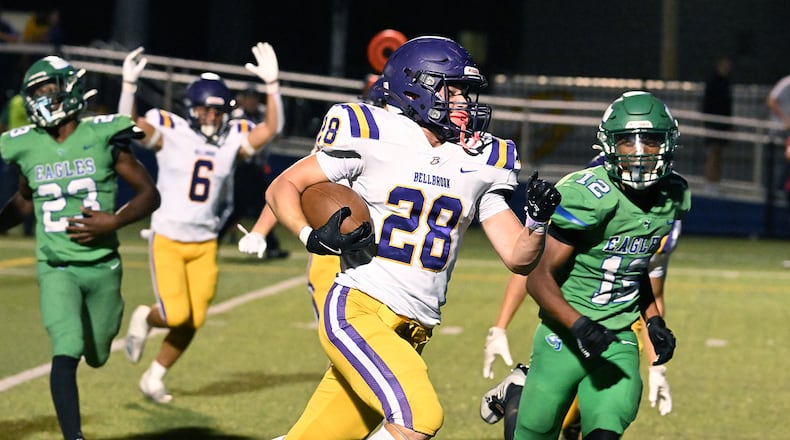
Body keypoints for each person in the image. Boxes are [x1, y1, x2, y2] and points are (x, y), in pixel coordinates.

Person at [264, 35, 561, 440]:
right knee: (418, 419)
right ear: (414, 86)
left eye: (465, 93)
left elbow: (517, 256)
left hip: (416, 325)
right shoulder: (373, 131)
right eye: (450, 89)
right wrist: (307, 235)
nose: (462, 103)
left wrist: (538, 222)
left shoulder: (482, 158)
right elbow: (283, 186)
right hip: (359, 309)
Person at [479, 91, 689, 440]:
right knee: (534, 432)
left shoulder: (673, 197)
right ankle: (517, 393)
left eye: (650, 141)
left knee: (605, 432)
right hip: (562, 335)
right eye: (627, 142)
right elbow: (537, 276)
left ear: (668, 144)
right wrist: (578, 324)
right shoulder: (589, 196)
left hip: (618, 337)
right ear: (609, 146)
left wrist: (653, 321)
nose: (639, 153)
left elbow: (631, 267)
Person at [0, 55, 160, 440]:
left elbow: (149, 194)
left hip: (102, 265)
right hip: (55, 265)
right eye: (36, 92)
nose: (43, 98)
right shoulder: (27, 145)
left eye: (48, 89)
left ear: (69, 88)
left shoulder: (103, 136)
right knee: (66, 346)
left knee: (98, 353)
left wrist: (114, 220)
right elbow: (25, 199)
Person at [118, 42, 282, 403]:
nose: (211, 117)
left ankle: (154, 377)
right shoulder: (172, 131)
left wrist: (272, 86)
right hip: (169, 237)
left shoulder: (232, 139)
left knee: (194, 319)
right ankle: (146, 317)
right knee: (176, 313)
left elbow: (271, 127)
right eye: (205, 110)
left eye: (217, 111)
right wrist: (128, 88)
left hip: (205, 240)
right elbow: (128, 125)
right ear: (191, 110)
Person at [481, 219, 682, 440]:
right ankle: (517, 392)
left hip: (622, 329)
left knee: (603, 422)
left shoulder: (664, 214)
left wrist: (657, 366)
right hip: (574, 322)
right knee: (542, 425)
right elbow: (531, 267)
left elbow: (654, 292)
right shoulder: (587, 202)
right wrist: (500, 326)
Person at [218, 83, 288, 258]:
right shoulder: (236, 117)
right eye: (249, 98)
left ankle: (270, 244)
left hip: (256, 168)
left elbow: (278, 131)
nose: (252, 102)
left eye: (255, 98)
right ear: (243, 99)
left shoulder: (263, 114)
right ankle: (212, 242)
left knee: (260, 206)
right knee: (241, 209)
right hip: (241, 167)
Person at [702, 55, 732, 186]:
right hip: (714, 121)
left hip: (722, 122)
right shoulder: (713, 81)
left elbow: (727, 104)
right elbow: (707, 102)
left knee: (719, 152)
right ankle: (711, 179)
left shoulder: (726, 82)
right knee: (713, 151)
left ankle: (715, 179)